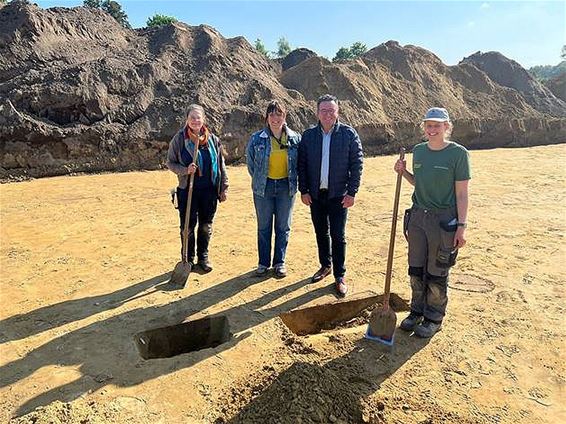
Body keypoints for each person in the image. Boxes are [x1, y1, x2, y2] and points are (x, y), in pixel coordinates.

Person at [394, 107, 471, 338]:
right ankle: (416, 311)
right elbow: (419, 183)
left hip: (443, 219)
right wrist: (404, 172)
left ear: (447, 127)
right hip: (418, 217)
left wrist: (461, 226)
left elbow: (462, 194)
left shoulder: (458, 154)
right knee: (416, 267)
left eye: (437, 125)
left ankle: (434, 318)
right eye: (428, 125)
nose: (432, 129)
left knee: (437, 270)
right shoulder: (419, 151)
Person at [298, 94, 363, 297]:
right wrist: (304, 190)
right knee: (321, 233)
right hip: (316, 196)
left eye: (331, 110)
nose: (327, 114)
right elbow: (302, 165)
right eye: (323, 110)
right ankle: (325, 266)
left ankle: (339, 275)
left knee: (338, 236)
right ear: (317, 113)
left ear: (338, 112)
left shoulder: (349, 134)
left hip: (339, 195)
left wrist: (352, 192)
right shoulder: (308, 136)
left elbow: (357, 164)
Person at [166, 104, 228, 273]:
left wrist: (223, 187)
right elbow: (170, 163)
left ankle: (203, 257)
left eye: (198, 117)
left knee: (205, 225)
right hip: (188, 190)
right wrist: (186, 170)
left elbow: (221, 166)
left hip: (209, 190)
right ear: (187, 119)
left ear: (203, 119)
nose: (195, 121)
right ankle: (188, 258)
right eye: (192, 117)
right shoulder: (179, 139)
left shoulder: (213, 140)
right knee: (188, 226)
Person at [246, 100, 301, 277]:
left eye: (279, 114)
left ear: (284, 117)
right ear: (267, 118)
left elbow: (300, 163)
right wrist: (261, 179)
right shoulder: (257, 139)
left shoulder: (295, 139)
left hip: (286, 187)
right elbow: (251, 165)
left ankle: (279, 262)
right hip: (264, 188)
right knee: (264, 226)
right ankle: (263, 263)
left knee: (283, 226)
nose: (275, 118)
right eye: (272, 114)